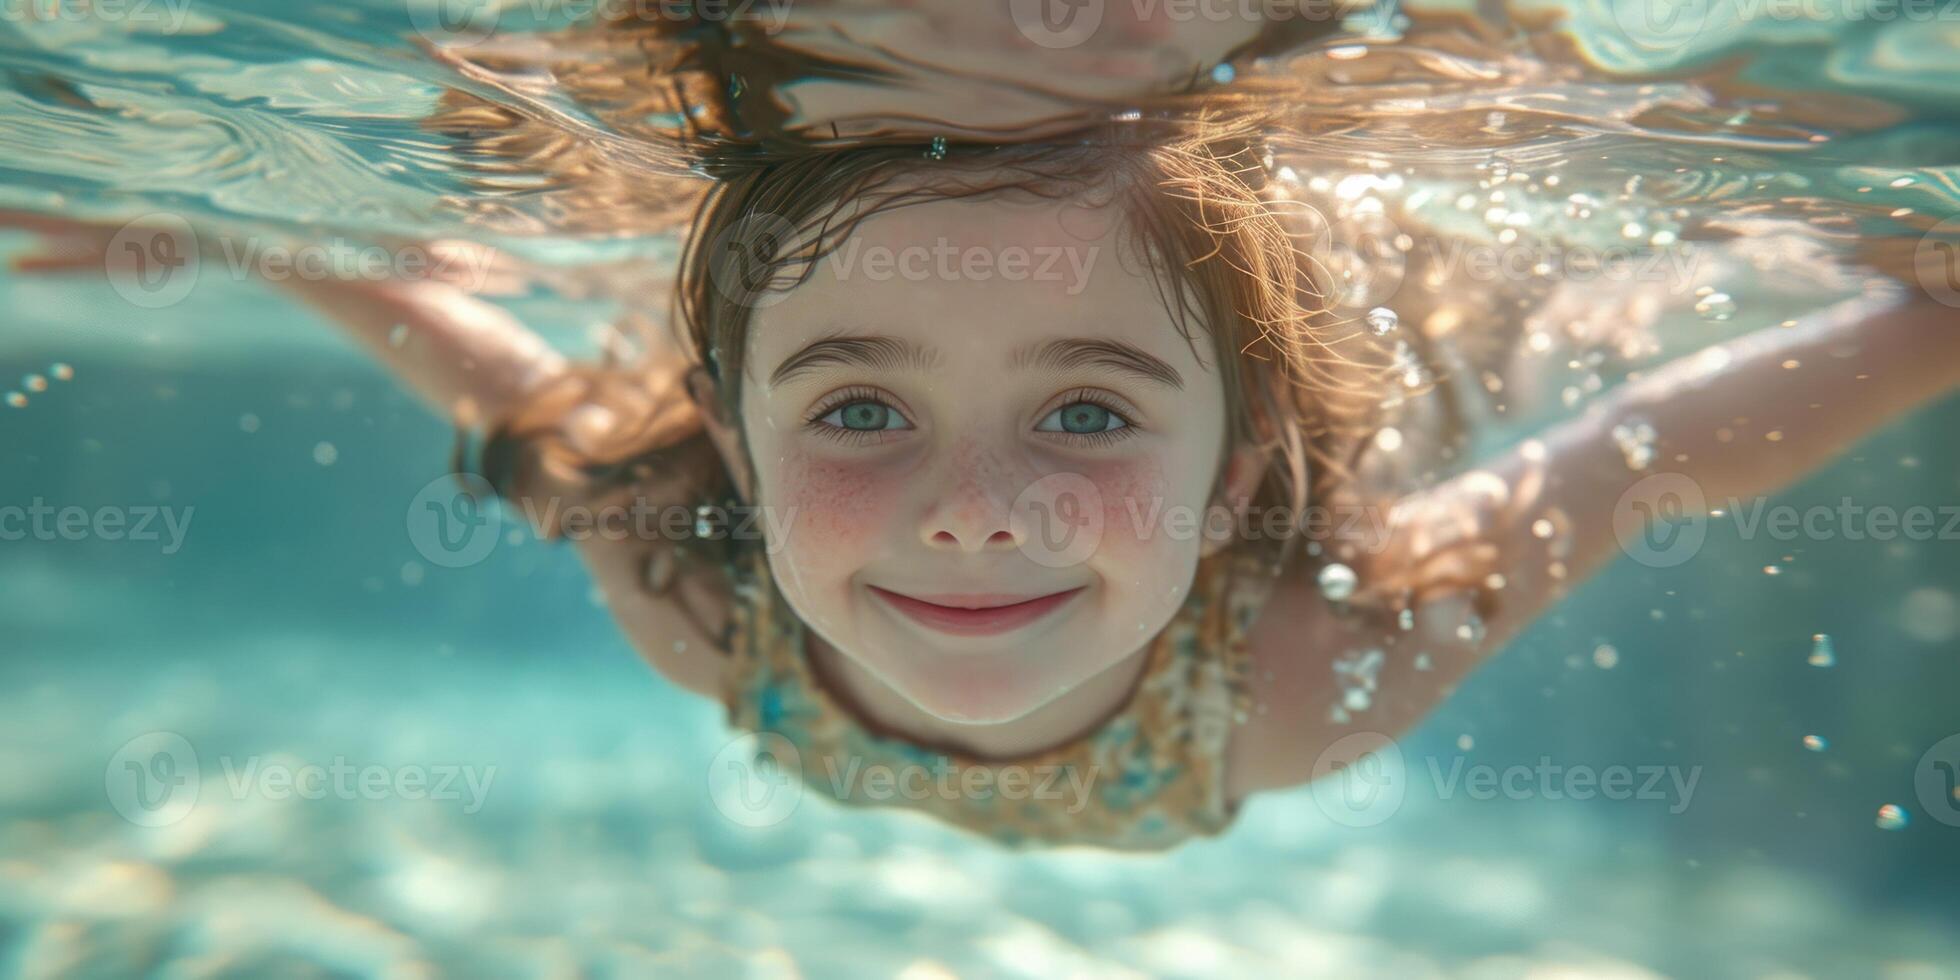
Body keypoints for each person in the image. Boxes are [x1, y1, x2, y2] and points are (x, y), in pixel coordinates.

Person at [10, 8, 1956, 852]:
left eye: (1091, 404)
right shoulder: (1301, 700)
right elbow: (1624, 460)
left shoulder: (698, 621)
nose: (968, 510)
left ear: (1238, 487)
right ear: (741, 455)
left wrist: (243, 220)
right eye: (855, 401)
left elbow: (1613, 449)